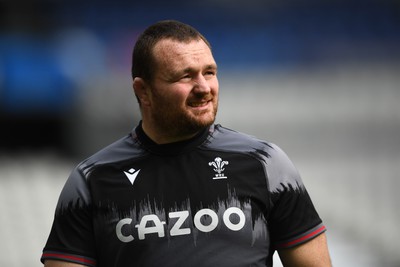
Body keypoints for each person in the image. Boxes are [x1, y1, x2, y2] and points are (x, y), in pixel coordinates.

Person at [41, 20, 331, 267]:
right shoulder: (91, 180)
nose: (204, 88)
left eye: (209, 72)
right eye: (185, 76)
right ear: (144, 91)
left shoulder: (265, 163)